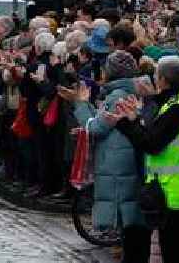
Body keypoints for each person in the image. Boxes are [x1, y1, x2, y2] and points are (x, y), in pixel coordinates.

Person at [108, 56, 179, 263]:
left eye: (156, 76)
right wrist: (134, 119)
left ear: (162, 80)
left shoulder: (177, 107)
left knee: (175, 251)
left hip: (173, 190)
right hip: (177, 187)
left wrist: (126, 125)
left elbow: (152, 144)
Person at [59, 50, 150, 263]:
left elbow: (96, 128)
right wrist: (83, 104)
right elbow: (101, 121)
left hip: (118, 167)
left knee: (130, 228)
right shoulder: (126, 91)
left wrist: (81, 104)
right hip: (123, 163)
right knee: (131, 229)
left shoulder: (117, 95)